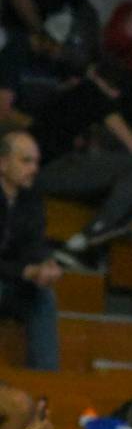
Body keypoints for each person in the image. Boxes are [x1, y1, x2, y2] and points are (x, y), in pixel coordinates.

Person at [30, 57, 132, 259]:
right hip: (47, 170)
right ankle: (94, 233)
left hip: (36, 166)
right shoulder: (95, 95)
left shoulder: (72, 93)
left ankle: (90, 250)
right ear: (116, 90)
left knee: (127, 183)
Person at [0, 131, 61, 369]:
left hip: (11, 282)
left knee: (44, 296)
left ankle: (45, 384)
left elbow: (35, 245)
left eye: (36, 162)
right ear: (3, 163)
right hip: (10, 277)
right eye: (26, 161)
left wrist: (46, 265)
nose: (34, 168)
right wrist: (26, 272)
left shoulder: (32, 199)